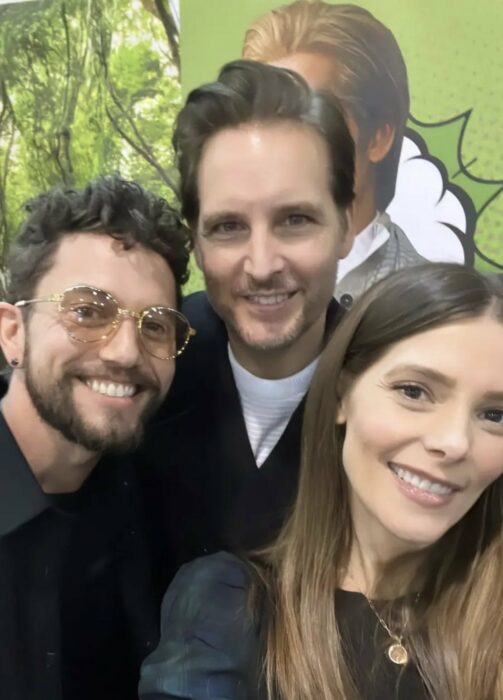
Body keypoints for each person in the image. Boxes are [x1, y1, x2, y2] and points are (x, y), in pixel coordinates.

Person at [139, 263, 503, 700]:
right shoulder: (230, 610)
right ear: (341, 396)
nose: (453, 442)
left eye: (495, 415)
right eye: (414, 391)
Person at [138, 59, 355, 598]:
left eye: (295, 220)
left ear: (346, 227)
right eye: (229, 227)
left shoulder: (397, 389)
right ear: (196, 239)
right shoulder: (142, 365)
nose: (261, 265)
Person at [0, 174, 194, 700]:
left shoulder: (148, 496)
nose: (126, 352)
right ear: (12, 331)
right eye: (87, 311)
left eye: (154, 325)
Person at [243, 0, 429, 304]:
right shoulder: (215, 310)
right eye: (261, 120)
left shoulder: (438, 314)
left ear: (378, 138)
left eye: (307, 117)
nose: (276, 146)